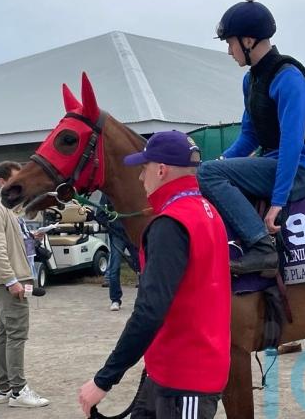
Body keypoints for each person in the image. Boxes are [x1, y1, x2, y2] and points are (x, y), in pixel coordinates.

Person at [78, 131, 231, 419]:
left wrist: (104, 379)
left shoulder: (170, 223)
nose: (140, 177)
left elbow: (149, 309)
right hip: (175, 369)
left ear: (161, 170)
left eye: (143, 168)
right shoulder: (208, 211)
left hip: (185, 378)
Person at [197, 0, 305, 277]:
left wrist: (278, 201)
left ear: (248, 40)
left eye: (230, 42)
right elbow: (249, 137)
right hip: (271, 163)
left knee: (208, 174)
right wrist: (219, 161)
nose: (229, 51)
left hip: (298, 170)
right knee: (208, 170)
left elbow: (291, 145)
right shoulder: (250, 80)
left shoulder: (289, 77)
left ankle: (262, 247)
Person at [0, 161, 50, 408]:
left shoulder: (3, 207)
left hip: (7, 279)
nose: (21, 186)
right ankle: (19, 391)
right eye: (16, 181)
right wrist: (11, 281)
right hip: (6, 281)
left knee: (4, 332)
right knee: (16, 333)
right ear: (2, 182)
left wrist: (32, 236)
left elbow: (7, 241)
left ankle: (5, 388)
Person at [98, 195, 139, 311]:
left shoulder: (133, 190)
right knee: (114, 268)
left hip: (133, 233)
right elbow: (100, 213)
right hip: (117, 234)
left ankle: (145, 298)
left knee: (142, 267)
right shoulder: (108, 194)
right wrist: (108, 225)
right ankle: (115, 300)